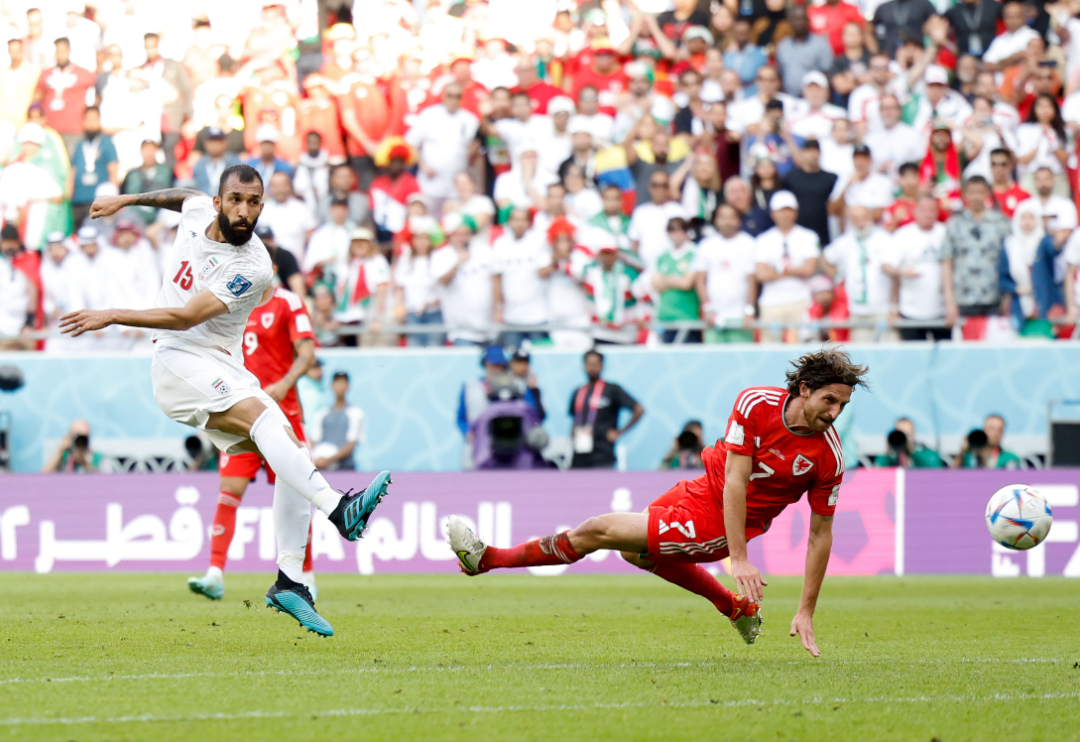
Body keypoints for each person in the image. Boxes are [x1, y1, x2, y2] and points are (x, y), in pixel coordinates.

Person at [57, 171, 392, 637]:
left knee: (290, 448)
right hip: (177, 361)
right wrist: (128, 199)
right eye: (235, 199)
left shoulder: (254, 266)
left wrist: (113, 314)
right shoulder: (199, 210)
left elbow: (186, 314)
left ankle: (291, 580)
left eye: (253, 202)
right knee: (265, 423)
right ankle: (338, 509)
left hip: (222, 364)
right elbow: (185, 197)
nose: (244, 211)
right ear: (218, 202)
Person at [448, 349, 867, 657]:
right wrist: (740, 562)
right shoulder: (756, 403)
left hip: (719, 525)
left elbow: (820, 535)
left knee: (597, 530)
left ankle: (488, 559)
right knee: (633, 552)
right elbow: (735, 479)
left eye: (843, 405)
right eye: (829, 400)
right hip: (704, 490)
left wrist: (804, 609)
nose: (835, 412)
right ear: (804, 389)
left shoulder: (828, 457)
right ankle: (734, 606)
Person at [187, 281, 317, 602]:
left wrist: (285, 383)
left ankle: (305, 576)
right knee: (229, 490)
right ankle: (215, 573)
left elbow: (307, 353)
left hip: (283, 414)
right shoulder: (229, 302)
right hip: (241, 414)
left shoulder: (288, 303)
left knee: (297, 492)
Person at [941, 176, 1012, 341]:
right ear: (965, 194)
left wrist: (1008, 296)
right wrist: (949, 302)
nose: (976, 197)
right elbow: (947, 263)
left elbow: (1011, 262)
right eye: (972, 192)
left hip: (994, 298)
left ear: (987, 193)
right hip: (964, 299)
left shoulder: (1001, 223)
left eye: (980, 192)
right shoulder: (955, 224)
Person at [755, 191, 821, 343]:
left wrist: (777, 270)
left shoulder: (808, 236)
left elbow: (809, 269)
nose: (785, 215)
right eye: (780, 210)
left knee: (802, 350)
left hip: (801, 300)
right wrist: (795, 270)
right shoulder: (763, 240)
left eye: (788, 210)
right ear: (773, 214)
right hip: (771, 303)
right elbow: (761, 274)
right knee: (769, 348)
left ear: (795, 212)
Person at [822, 205, 894, 342]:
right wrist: (837, 278)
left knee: (888, 350)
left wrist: (894, 308)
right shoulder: (844, 241)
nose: (860, 223)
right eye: (855, 219)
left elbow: (894, 275)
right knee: (861, 352)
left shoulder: (884, 239)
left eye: (863, 218)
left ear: (870, 218)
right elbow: (825, 258)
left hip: (883, 310)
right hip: (857, 311)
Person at [885, 196, 950, 341]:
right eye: (923, 210)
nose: (927, 214)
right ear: (915, 211)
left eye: (931, 210)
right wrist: (902, 272)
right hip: (910, 311)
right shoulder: (902, 235)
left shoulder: (945, 233)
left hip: (941, 310)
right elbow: (887, 266)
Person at [567, 349, 644, 469]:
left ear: (602, 366)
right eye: (589, 364)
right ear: (584, 366)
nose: (592, 368)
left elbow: (639, 409)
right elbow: (575, 419)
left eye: (595, 364)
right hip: (579, 454)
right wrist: (571, 439)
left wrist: (620, 432)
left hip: (603, 453)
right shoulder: (578, 392)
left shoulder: (612, 390)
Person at [694, 203, 757, 343]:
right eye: (723, 217)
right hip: (713, 316)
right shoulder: (706, 245)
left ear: (738, 221)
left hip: (740, 317)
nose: (727, 221)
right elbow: (700, 280)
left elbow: (752, 280)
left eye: (731, 217)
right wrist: (707, 308)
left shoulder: (748, 243)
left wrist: (749, 311)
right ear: (716, 221)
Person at [492, 207, 551, 347]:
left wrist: (555, 260)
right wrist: (498, 308)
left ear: (529, 222)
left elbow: (544, 273)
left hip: (538, 315)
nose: (519, 224)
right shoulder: (500, 244)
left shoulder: (538, 241)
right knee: (514, 357)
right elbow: (497, 278)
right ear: (509, 221)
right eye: (516, 220)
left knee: (540, 357)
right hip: (511, 316)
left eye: (523, 220)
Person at [67, 106, 120, 229]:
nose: (91, 124)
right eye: (88, 119)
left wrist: (112, 200)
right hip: (78, 201)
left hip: (98, 202)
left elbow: (113, 171)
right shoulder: (79, 144)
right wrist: (68, 198)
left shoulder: (107, 143)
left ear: (99, 120)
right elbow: (73, 172)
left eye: (94, 119)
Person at [781, 139, 837, 249]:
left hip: (822, 234)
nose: (813, 154)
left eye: (816, 151)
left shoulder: (831, 178)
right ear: (802, 153)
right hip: (795, 235)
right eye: (809, 151)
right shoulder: (790, 177)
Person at [653, 217, 701, 343]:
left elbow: (686, 283)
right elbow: (655, 283)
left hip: (687, 317)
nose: (676, 233)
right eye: (672, 230)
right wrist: (677, 279)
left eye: (680, 229)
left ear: (686, 232)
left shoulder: (695, 253)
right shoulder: (662, 256)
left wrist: (665, 279)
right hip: (665, 318)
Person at [309, 372, 366, 472]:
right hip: (323, 469)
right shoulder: (322, 414)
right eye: (337, 382)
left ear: (348, 386)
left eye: (343, 383)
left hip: (345, 469)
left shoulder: (356, 413)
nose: (340, 386)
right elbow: (313, 442)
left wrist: (327, 460)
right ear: (332, 386)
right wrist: (315, 460)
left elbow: (350, 446)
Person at [874, 418, 945, 467]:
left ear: (913, 434)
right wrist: (889, 449)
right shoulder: (890, 457)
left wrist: (911, 451)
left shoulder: (925, 452)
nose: (903, 439)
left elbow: (935, 469)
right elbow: (877, 471)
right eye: (900, 435)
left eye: (907, 435)